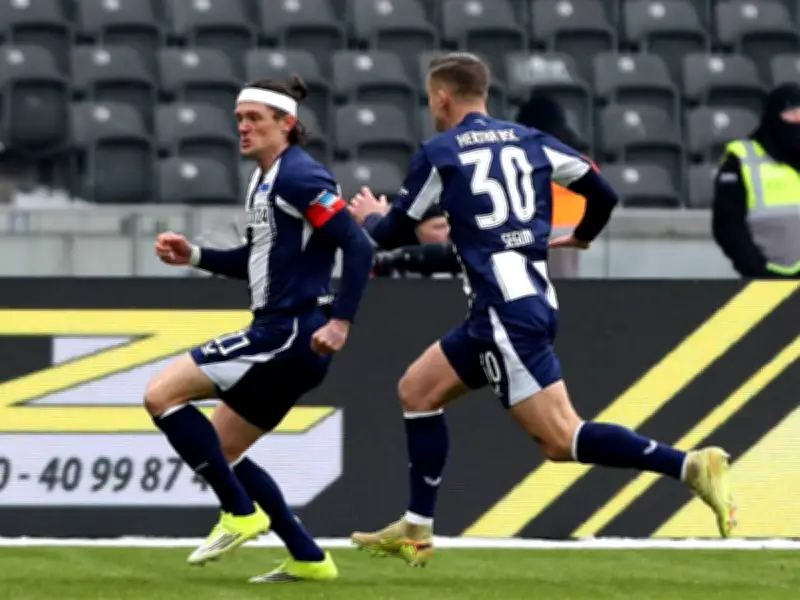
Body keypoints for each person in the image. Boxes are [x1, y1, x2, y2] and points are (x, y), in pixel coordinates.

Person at [347, 52, 735, 567]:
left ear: (441, 96)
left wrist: (371, 217)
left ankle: (690, 466)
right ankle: (416, 529)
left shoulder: (440, 151)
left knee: (561, 438)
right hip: (518, 303)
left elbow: (392, 235)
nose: (431, 106)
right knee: (417, 390)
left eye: (430, 98)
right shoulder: (529, 140)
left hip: (502, 316)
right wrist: (582, 237)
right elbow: (603, 192)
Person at [147, 75, 374, 582]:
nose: (243, 128)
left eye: (254, 118)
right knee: (224, 450)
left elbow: (358, 245)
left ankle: (239, 512)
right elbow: (260, 259)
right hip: (290, 334)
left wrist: (342, 320)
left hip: (288, 332)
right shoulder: (267, 178)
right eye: (239, 119)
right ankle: (309, 558)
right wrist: (197, 256)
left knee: (160, 395)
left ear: (286, 123)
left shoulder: (299, 177)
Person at [712, 83, 800, 278]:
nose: (798, 120)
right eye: (791, 114)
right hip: (767, 280)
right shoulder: (743, 158)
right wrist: (757, 272)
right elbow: (728, 224)